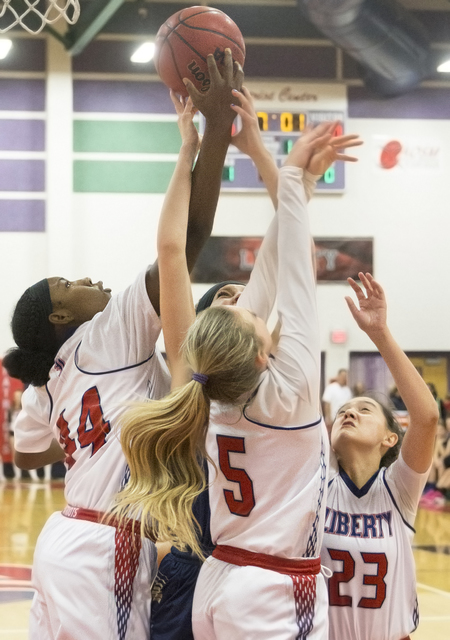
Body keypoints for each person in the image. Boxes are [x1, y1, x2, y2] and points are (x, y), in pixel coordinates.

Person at [3, 51, 243, 640]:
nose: (86, 279)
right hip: (107, 543)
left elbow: (26, 453)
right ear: (61, 315)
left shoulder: (50, 380)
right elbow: (187, 242)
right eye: (70, 284)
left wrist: (100, 441)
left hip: (66, 536)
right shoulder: (108, 333)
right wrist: (214, 133)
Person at [114, 97, 362, 637]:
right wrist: (290, 176)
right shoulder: (282, 389)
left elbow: (277, 271)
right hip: (272, 588)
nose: (258, 310)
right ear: (257, 352)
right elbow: (295, 274)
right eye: (250, 314)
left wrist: (298, 183)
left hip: (221, 578)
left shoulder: (217, 392)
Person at [322, 273, 439, 640]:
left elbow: (427, 418)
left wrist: (380, 334)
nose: (349, 413)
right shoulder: (318, 484)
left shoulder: (398, 490)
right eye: (344, 411)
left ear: (391, 438)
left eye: (364, 410)